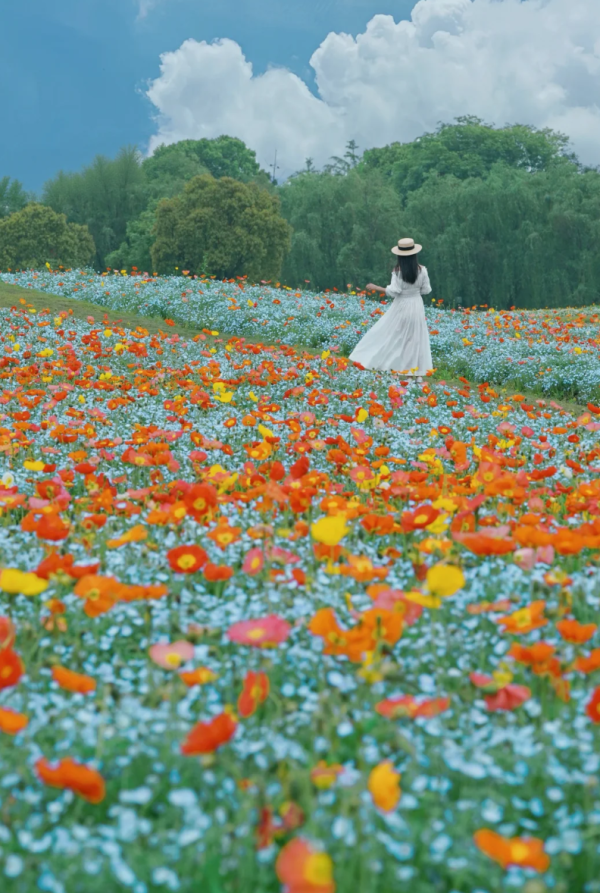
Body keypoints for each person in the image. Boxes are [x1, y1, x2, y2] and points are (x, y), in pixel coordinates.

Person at [349, 237, 433, 380]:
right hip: (416, 306)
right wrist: (414, 291)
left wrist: (376, 287)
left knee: (393, 336)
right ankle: (417, 373)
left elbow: (394, 291)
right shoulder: (422, 270)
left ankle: (399, 369)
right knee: (416, 338)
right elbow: (426, 290)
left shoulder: (398, 271)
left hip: (401, 306)